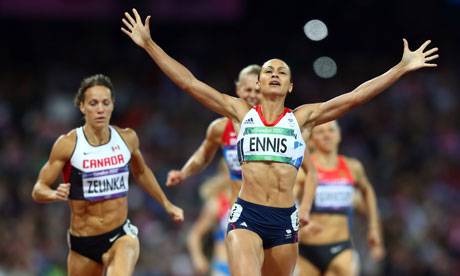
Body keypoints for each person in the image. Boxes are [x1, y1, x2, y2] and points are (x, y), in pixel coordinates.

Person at [121, 8, 438, 276]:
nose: (275, 74)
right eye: (269, 70)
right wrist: (149, 44)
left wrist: (400, 68)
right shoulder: (240, 112)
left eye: (282, 72)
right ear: (258, 83)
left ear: (289, 86)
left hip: (286, 218)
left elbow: (355, 97)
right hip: (247, 213)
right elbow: (189, 83)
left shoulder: (303, 119)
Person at [31, 74, 184, 276]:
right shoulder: (68, 144)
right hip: (83, 241)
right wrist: (53, 194)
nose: (100, 109)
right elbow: (38, 189)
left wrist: (166, 204)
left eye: (106, 103)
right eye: (93, 104)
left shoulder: (127, 138)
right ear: (82, 107)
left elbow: (142, 172)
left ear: (112, 105)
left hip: (120, 234)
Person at [294, 121, 384, 276]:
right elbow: (284, 202)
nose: (327, 135)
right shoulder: (302, 170)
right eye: (320, 132)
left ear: (339, 135)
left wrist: (374, 228)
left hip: (341, 248)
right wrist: (297, 224)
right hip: (306, 251)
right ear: (311, 140)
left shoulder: (352, 167)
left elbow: (367, 191)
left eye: (331, 130)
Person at [166, 64, 261, 205]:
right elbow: (204, 154)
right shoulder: (220, 128)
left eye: (257, 91)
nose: (252, 95)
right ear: (238, 90)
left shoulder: (280, 127)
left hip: (272, 211)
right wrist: (183, 173)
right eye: (248, 90)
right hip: (240, 213)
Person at [187, 158, 232, 276]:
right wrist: (198, 258)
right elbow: (194, 235)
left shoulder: (252, 203)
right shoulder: (217, 204)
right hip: (223, 269)